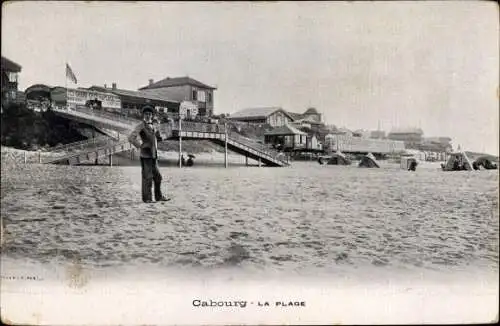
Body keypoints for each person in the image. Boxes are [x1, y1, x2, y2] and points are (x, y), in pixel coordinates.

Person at [128, 106, 169, 203]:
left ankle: (159, 197)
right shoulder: (141, 125)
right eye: (146, 114)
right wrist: (140, 145)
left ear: (152, 115)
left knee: (158, 177)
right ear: (143, 115)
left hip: (154, 155)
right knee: (147, 178)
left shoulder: (154, 125)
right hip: (145, 155)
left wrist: (160, 137)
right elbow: (131, 138)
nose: (148, 116)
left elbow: (157, 138)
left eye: (149, 114)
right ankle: (147, 199)